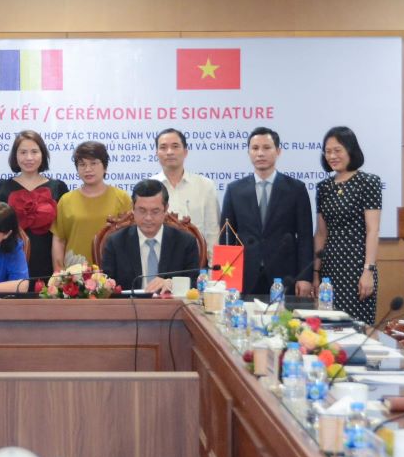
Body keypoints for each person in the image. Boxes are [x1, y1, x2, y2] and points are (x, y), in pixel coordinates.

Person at [220, 127, 313, 296]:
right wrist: (225, 277)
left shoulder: (296, 189)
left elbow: (305, 237)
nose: (260, 153)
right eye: (255, 148)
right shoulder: (235, 190)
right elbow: (226, 237)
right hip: (244, 275)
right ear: (248, 152)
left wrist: (305, 277)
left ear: (278, 151)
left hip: (285, 276)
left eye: (266, 148)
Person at [313, 126, 381, 324]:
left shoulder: (368, 182)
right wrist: (316, 273)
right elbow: (320, 234)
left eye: (337, 150)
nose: (332, 156)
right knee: (328, 326)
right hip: (329, 269)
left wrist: (368, 271)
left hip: (357, 267)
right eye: (327, 151)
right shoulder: (323, 187)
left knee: (356, 327)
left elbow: (373, 230)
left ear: (350, 150)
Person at [0, 130, 69, 278]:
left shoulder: (58, 187)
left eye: (34, 152)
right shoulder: (1, 187)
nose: (29, 158)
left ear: (42, 154)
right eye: (23, 152)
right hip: (10, 261)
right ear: (15, 156)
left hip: (48, 262)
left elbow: (62, 232)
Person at [101, 180, 200, 292]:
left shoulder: (185, 242)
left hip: (171, 303)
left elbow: (194, 283)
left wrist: (172, 284)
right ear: (133, 208)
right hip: (129, 303)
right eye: (142, 211)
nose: (148, 218)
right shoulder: (115, 242)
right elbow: (107, 286)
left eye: (155, 211)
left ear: (166, 209)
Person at [51, 141, 132, 270]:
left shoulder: (122, 198)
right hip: (75, 275)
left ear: (105, 166)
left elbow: (130, 239)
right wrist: (58, 272)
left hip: (112, 272)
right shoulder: (66, 200)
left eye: (93, 163)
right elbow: (59, 240)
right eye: (82, 164)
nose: (88, 169)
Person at [151, 128, 220, 260]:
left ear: (185, 152)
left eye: (175, 146)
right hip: (159, 261)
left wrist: (213, 267)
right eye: (163, 147)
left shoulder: (205, 186)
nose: (169, 152)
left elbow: (213, 231)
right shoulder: (149, 187)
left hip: (197, 261)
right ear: (157, 153)